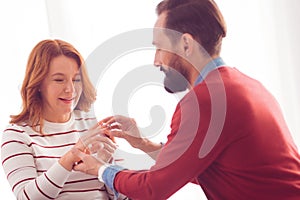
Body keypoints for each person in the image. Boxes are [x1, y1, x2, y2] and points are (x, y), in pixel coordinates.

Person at [72, 0, 300, 199]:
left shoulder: (204, 101)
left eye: (160, 47)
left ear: (186, 44)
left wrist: (100, 169)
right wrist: (142, 143)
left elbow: (153, 189)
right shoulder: (247, 85)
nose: (155, 60)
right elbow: (191, 166)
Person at [0, 39, 126, 200]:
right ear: (38, 83)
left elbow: (125, 197)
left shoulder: (93, 125)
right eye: (59, 80)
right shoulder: (17, 135)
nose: (71, 90)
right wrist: (71, 156)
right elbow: (27, 197)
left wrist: (107, 165)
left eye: (76, 80)